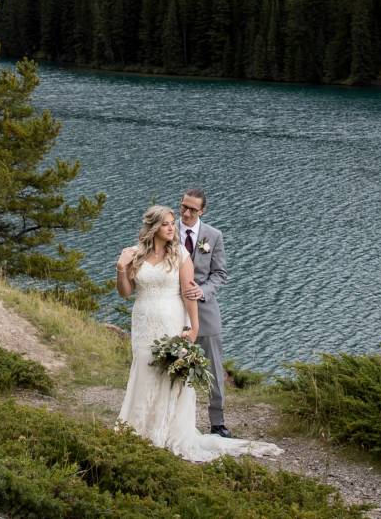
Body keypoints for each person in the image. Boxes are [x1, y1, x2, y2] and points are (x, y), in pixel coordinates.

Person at [114, 205, 280, 462]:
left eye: (172, 223)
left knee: (169, 373)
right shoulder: (134, 254)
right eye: (167, 223)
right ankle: (140, 427)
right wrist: (121, 268)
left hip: (171, 320)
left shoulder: (180, 254)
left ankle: (166, 429)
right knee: (144, 370)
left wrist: (193, 328)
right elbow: (125, 292)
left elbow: (189, 294)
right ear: (153, 227)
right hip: (144, 323)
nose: (172, 227)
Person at [175, 187, 230, 435]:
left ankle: (217, 422)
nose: (186, 213)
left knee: (214, 367)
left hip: (206, 310)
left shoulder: (214, 236)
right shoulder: (167, 230)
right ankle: (171, 417)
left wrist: (203, 291)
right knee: (172, 361)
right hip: (172, 307)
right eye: (183, 207)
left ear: (202, 211)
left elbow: (220, 274)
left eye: (192, 209)